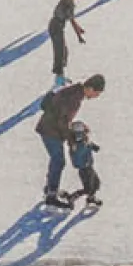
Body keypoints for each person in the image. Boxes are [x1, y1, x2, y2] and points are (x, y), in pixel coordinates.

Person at [36, 74, 105, 206]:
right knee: (58, 161)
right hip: (50, 131)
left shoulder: (75, 91)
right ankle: (51, 195)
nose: (96, 96)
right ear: (90, 88)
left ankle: (50, 189)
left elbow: (63, 117)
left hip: (49, 128)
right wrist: (71, 140)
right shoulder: (74, 99)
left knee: (57, 160)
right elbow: (63, 121)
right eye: (97, 93)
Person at [50, 120, 102, 209]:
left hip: (89, 167)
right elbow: (78, 155)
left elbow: (88, 145)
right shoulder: (76, 145)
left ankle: (91, 198)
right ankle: (72, 197)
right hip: (84, 169)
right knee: (88, 188)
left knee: (96, 183)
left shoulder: (84, 141)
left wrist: (93, 146)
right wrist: (88, 147)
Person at [48, 0, 86, 83]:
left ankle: (60, 74)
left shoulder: (68, 0)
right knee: (60, 52)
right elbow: (72, 21)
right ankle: (59, 77)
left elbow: (71, 19)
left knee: (64, 51)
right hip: (56, 27)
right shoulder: (68, 3)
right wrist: (79, 36)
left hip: (56, 26)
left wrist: (79, 28)